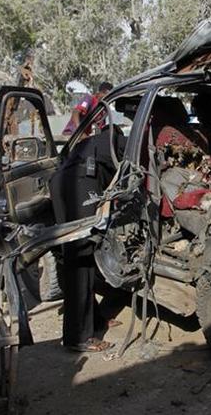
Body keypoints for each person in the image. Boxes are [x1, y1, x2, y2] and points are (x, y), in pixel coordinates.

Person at [50, 119, 127, 352]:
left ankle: (95, 320)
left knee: (79, 257)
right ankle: (78, 337)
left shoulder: (90, 143)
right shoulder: (121, 143)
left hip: (62, 184)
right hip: (80, 184)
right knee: (81, 258)